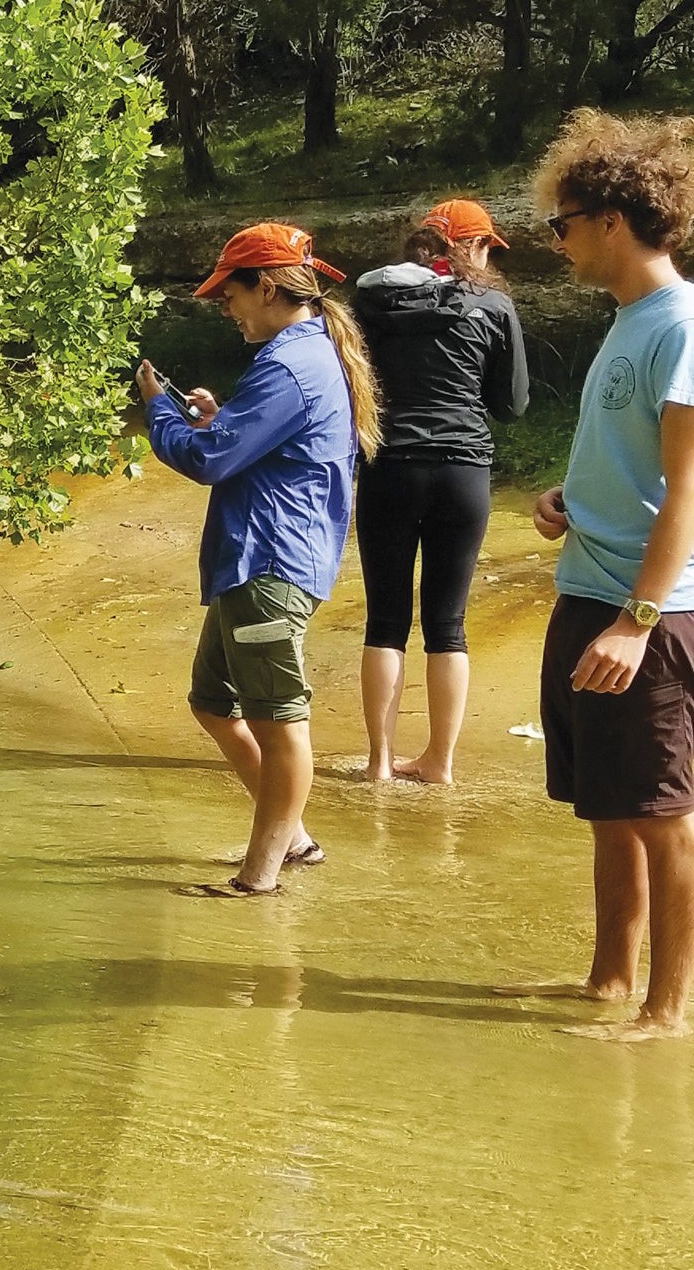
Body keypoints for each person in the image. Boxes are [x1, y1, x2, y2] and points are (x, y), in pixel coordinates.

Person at [513, 110, 694, 1040]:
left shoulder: (683, 325)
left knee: (661, 814)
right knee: (610, 807)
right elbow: (633, 470)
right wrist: (563, 496)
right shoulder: (629, 324)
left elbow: (688, 495)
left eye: (563, 223)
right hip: (591, 592)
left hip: (648, 615)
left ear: (612, 221)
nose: (558, 243)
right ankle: (609, 985)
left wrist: (638, 620)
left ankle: (667, 1014)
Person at [136, 224, 380, 896]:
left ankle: (261, 876)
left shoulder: (290, 364)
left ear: (267, 287)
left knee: (280, 722)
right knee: (213, 703)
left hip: (269, 568)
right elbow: (251, 442)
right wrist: (224, 416)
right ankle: (292, 837)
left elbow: (208, 460)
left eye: (230, 294)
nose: (226, 308)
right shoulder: (302, 354)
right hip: (257, 564)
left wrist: (159, 409)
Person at [352, 198, 530, 783]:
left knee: (385, 619)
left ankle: (379, 761)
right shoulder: (495, 306)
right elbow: (511, 405)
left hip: (390, 467)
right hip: (462, 470)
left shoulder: (373, 303)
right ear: (467, 247)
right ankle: (438, 763)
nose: (490, 255)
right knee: (447, 624)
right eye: (486, 245)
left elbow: (355, 384)